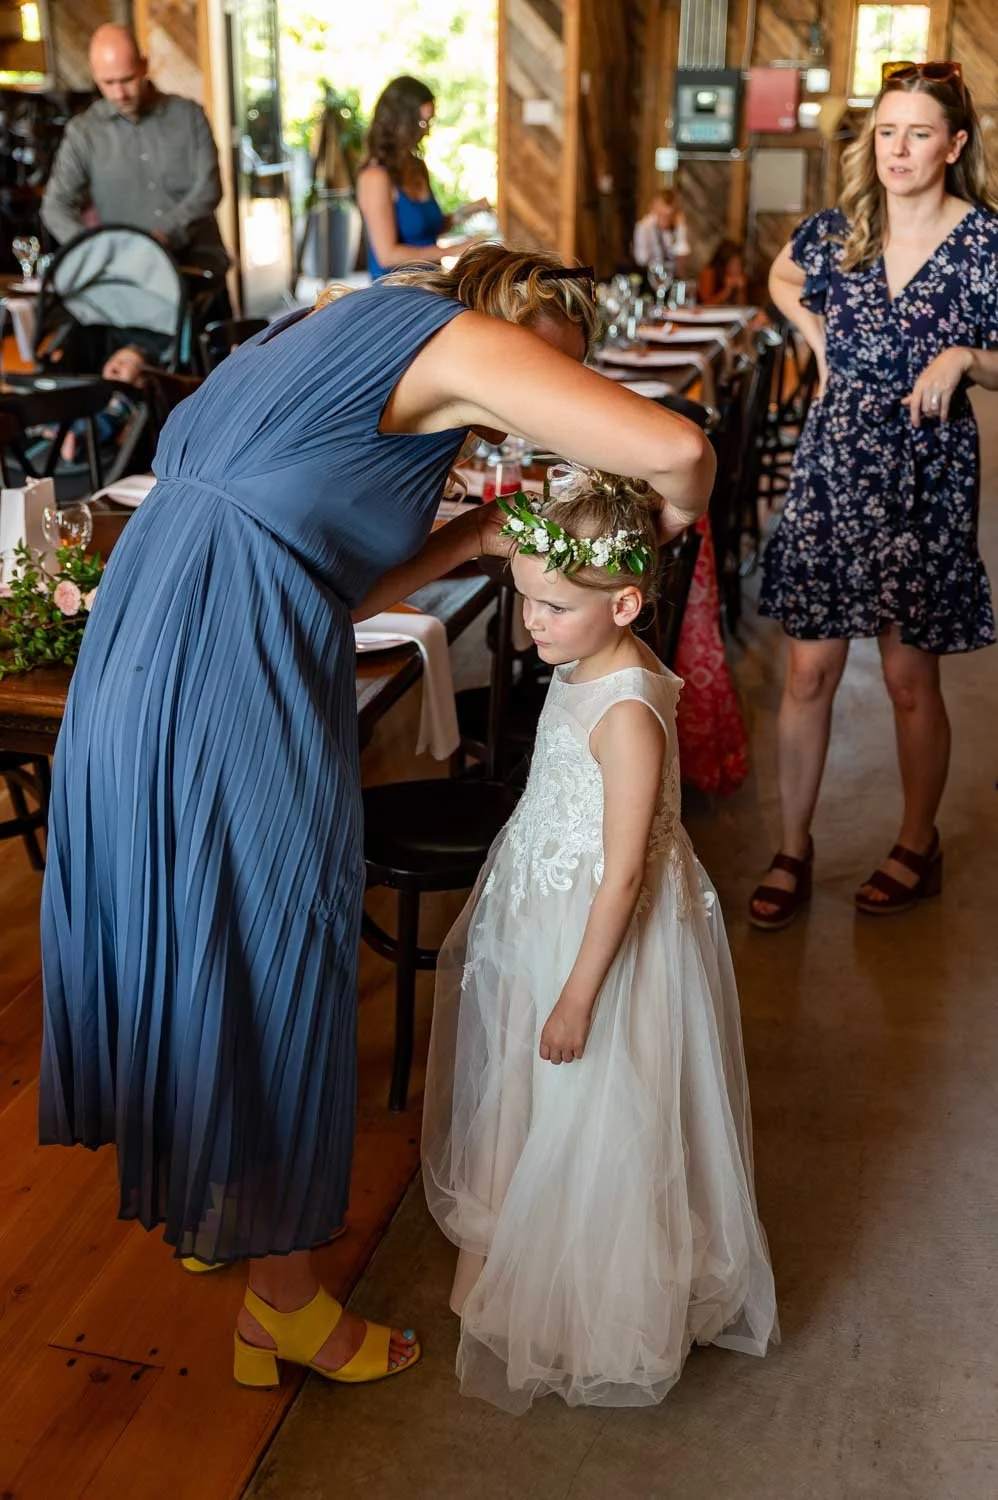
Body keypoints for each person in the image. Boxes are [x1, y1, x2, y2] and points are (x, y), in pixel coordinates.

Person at [39, 243, 715, 1389]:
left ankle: (222, 1202)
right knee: (271, 950)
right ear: (516, 334)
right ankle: (284, 1308)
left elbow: (331, 582)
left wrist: (475, 532)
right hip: (227, 667)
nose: (540, 424)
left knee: (193, 928)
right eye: (550, 392)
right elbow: (679, 448)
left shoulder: (321, 328)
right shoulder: (458, 341)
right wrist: (660, 527)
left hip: (150, 640)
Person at [421, 469, 777, 1412]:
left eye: (554, 606)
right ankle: (505, 1256)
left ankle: (596, 1299)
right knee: (524, 1089)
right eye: (527, 599)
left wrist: (580, 992)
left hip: (602, 940)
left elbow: (623, 873)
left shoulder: (625, 712)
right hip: (546, 908)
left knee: (599, 1102)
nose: (533, 623)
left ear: (623, 601)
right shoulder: (583, 663)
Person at [750, 61, 998, 930]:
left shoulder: (983, 244)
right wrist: (816, 333)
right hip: (834, 463)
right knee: (810, 666)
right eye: (887, 131)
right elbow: (782, 281)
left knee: (904, 676)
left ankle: (916, 840)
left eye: (919, 132)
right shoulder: (840, 229)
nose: (897, 149)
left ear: (954, 145)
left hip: (926, 476)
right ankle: (793, 844)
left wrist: (967, 359)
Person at [41, 23, 229, 278]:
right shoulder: (83, 132)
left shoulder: (189, 116)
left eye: (127, 79)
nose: (120, 93)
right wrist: (96, 249)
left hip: (200, 267)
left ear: (144, 66)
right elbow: (54, 206)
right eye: (109, 83)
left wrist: (163, 235)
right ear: (95, 76)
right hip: (131, 276)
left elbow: (210, 188)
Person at [356, 75, 489, 279]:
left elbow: (425, 228)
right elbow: (387, 255)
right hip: (395, 290)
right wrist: (453, 250)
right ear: (397, 123)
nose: (426, 131)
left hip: (429, 282)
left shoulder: (416, 166)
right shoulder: (375, 177)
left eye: (429, 122)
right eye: (420, 122)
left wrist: (465, 213)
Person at [632, 188, 690, 277]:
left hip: (672, 277)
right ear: (653, 209)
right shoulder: (645, 227)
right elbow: (641, 259)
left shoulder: (677, 228)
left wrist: (681, 230)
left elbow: (682, 263)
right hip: (650, 277)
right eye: (661, 214)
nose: (666, 217)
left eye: (669, 215)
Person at [698, 237, 748, 305]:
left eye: (739, 264)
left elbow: (742, 308)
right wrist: (727, 291)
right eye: (733, 264)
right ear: (724, 265)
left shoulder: (739, 276)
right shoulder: (709, 273)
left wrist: (740, 291)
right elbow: (706, 305)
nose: (738, 269)